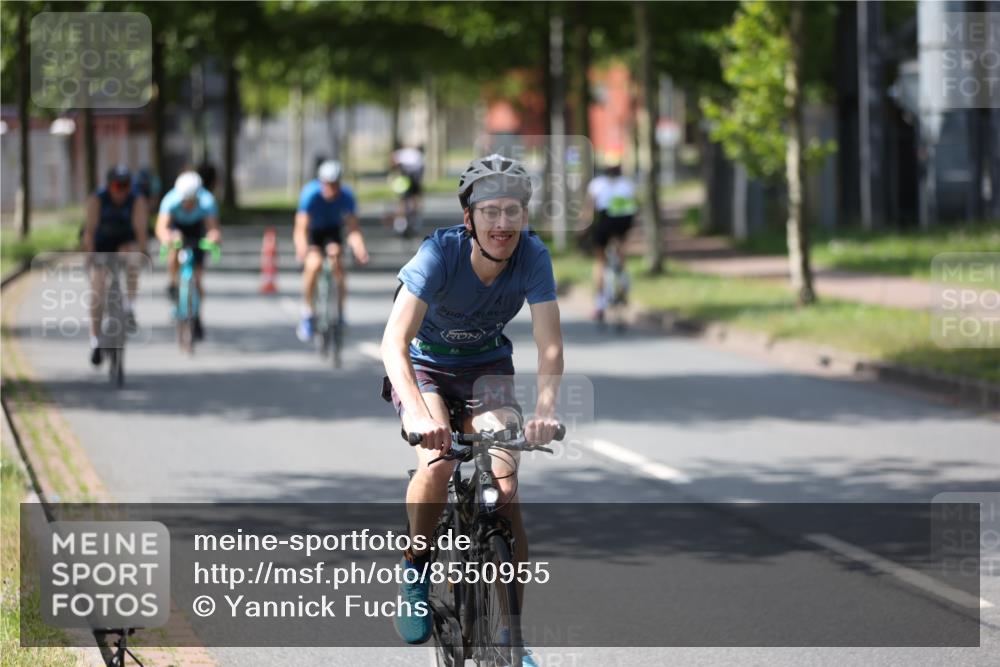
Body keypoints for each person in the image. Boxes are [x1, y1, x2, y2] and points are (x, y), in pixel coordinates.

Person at [381, 154, 563, 663]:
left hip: (487, 371)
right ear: (470, 219)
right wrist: (418, 415)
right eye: (490, 212)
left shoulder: (533, 256)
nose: (502, 223)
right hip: (428, 369)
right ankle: (416, 570)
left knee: (506, 490)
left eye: (512, 211)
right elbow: (394, 344)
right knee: (437, 464)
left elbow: (549, 347)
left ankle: (513, 636)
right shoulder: (437, 255)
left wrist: (545, 409)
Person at [293, 159, 370, 342]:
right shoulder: (310, 194)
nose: (331, 189)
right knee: (314, 264)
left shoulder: (347, 196)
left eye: (335, 184)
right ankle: (308, 312)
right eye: (328, 184)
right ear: (321, 182)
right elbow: (300, 228)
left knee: (337, 263)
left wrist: (360, 249)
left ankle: (340, 312)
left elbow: (353, 230)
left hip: (333, 231)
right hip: (314, 232)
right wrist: (302, 248)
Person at [81, 164, 149, 366]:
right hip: (102, 244)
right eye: (117, 185)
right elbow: (90, 231)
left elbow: (140, 230)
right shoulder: (97, 199)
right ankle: (95, 341)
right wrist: (90, 255)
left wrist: (143, 252)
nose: (121, 190)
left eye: (126, 185)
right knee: (97, 290)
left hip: (124, 242)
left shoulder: (136, 200)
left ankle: (129, 307)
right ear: (109, 185)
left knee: (132, 258)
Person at [155, 171, 222, 340]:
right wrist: (167, 238)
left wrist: (213, 237)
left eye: (192, 202)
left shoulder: (207, 202)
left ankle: (197, 316)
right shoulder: (170, 200)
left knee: (198, 279)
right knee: (173, 250)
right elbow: (161, 228)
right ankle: (172, 283)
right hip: (177, 228)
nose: (189, 205)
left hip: (197, 230)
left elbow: (212, 228)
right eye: (185, 201)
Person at [582, 163, 638, 320]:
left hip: (605, 220)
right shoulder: (628, 184)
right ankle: (623, 281)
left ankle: (599, 305)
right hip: (624, 221)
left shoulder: (596, 184)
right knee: (621, 251)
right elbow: (635, 206)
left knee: (600, 261)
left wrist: (584, 227)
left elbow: (589, 209)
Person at [389, 145, 425, 236]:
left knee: (402, 200)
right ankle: (414, 220)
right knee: (415, 198)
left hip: (408, 176)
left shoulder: (399, 154)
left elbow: (394, 166)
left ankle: (401, 223)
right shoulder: (416, 155)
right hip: (413, 175)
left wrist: (393, 177)